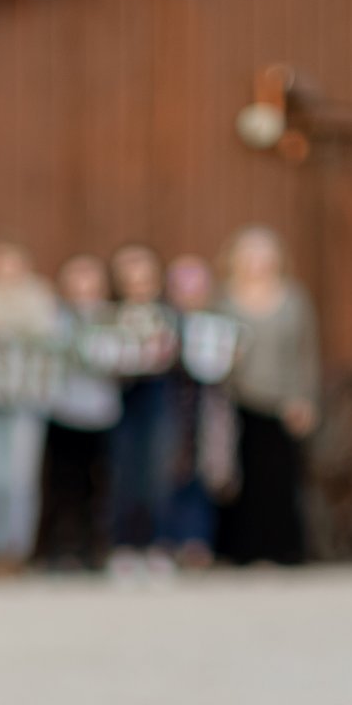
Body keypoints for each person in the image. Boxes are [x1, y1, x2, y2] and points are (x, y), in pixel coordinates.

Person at [217, 226, 319, 568]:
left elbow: (305, 353)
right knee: (239, 478)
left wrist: (304, 398)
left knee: (279, 479)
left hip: (282, 402)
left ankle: (281, 550)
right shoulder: (224, 299)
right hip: (236, 400)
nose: (258, 261)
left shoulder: (293, 299)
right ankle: (239, 551)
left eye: (265, 253)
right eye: (251, 253)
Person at [0, 240, 59, 572]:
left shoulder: (40, 299)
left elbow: (49, 341)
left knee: (19, 478)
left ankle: (16, 548)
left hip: (25, 399)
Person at [37, 254, 121, 573]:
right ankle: (59, 546)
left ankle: (91, 547)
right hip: (62, 410)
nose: (84, 286)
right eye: (77, 278)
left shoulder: (113, 319)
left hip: (100, 413)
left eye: (90, 279)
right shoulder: (55, 318)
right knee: (62, 484)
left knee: (95, 486)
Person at [103, 243, 183, 577]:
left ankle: (159, 543)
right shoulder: (109, 318)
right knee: (124, 473)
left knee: (158, 474)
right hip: (122, 399)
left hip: (160, 397)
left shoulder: (171, 317)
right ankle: (124, 544)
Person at [159, 253, 235, 568]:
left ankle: (197, 542)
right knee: (166, 477)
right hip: (169, 409)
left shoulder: (218, 324)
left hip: (205, 412)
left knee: (204, 478)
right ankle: (165, 540)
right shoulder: (161, 322)